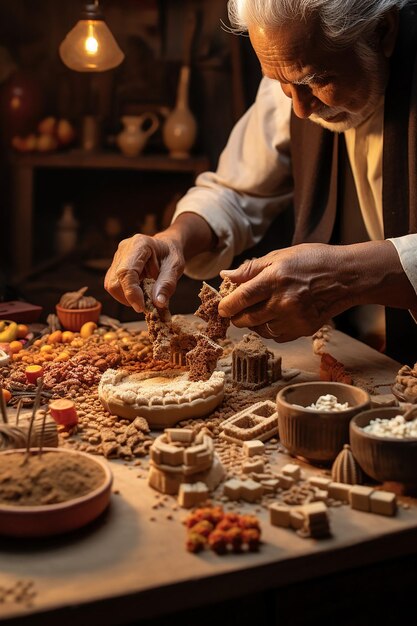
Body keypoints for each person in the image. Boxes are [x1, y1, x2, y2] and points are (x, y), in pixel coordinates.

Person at [105, 0, 417, 365]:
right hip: (347, 355)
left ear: (384, 31)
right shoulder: (293, 66)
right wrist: (173, 239)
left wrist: (349, 275)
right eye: (282, 83)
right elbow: (236, 193)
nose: (300, 109)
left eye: (319, 80)